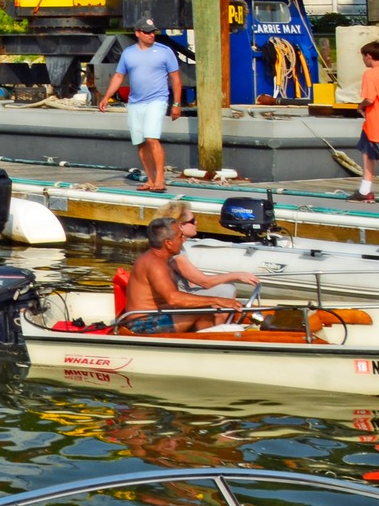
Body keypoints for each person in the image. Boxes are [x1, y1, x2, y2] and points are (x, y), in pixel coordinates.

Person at [98, 18, 182, 194]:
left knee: (152, 138)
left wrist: (176, 104)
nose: (151, 35)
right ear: (137, 33)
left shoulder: (165, 52)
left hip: (157, 99)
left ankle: (160, 179)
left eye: (153, 32)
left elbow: (175, 78)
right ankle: (150, 179)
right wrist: (106, 96)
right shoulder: (128, 53)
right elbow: (119, 76)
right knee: (141, 142)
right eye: (147, 32)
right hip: (135, 102)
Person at [124, 215, 231, 333]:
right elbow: (173, 299)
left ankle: (206, 342)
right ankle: (210, 345)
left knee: (205, 309)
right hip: (142, 325)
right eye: (180, 236)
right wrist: (216, 300)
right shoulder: (155, 264)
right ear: (168, 243)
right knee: (204, 310)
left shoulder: (162, 260)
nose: (183, 239)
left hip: (159, 317)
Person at [160, 200, 260, 296]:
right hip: (180, 297)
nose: (196, 222)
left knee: (226, 287)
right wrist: (238, 275)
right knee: (226, 290)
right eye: (193, 221)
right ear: (180, 226)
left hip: (184, 292)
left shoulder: (179, 247)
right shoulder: (174, 253)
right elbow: (205, 282)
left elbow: (194, 281)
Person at [350, 40, 379, 201]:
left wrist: (360, 107)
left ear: (368, 56)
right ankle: (364, 190)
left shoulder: (370, 74)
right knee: (367, 153)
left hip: (377, 120)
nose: (363, 60)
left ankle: (364, 190)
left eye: (363, 57)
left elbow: (369, 98)